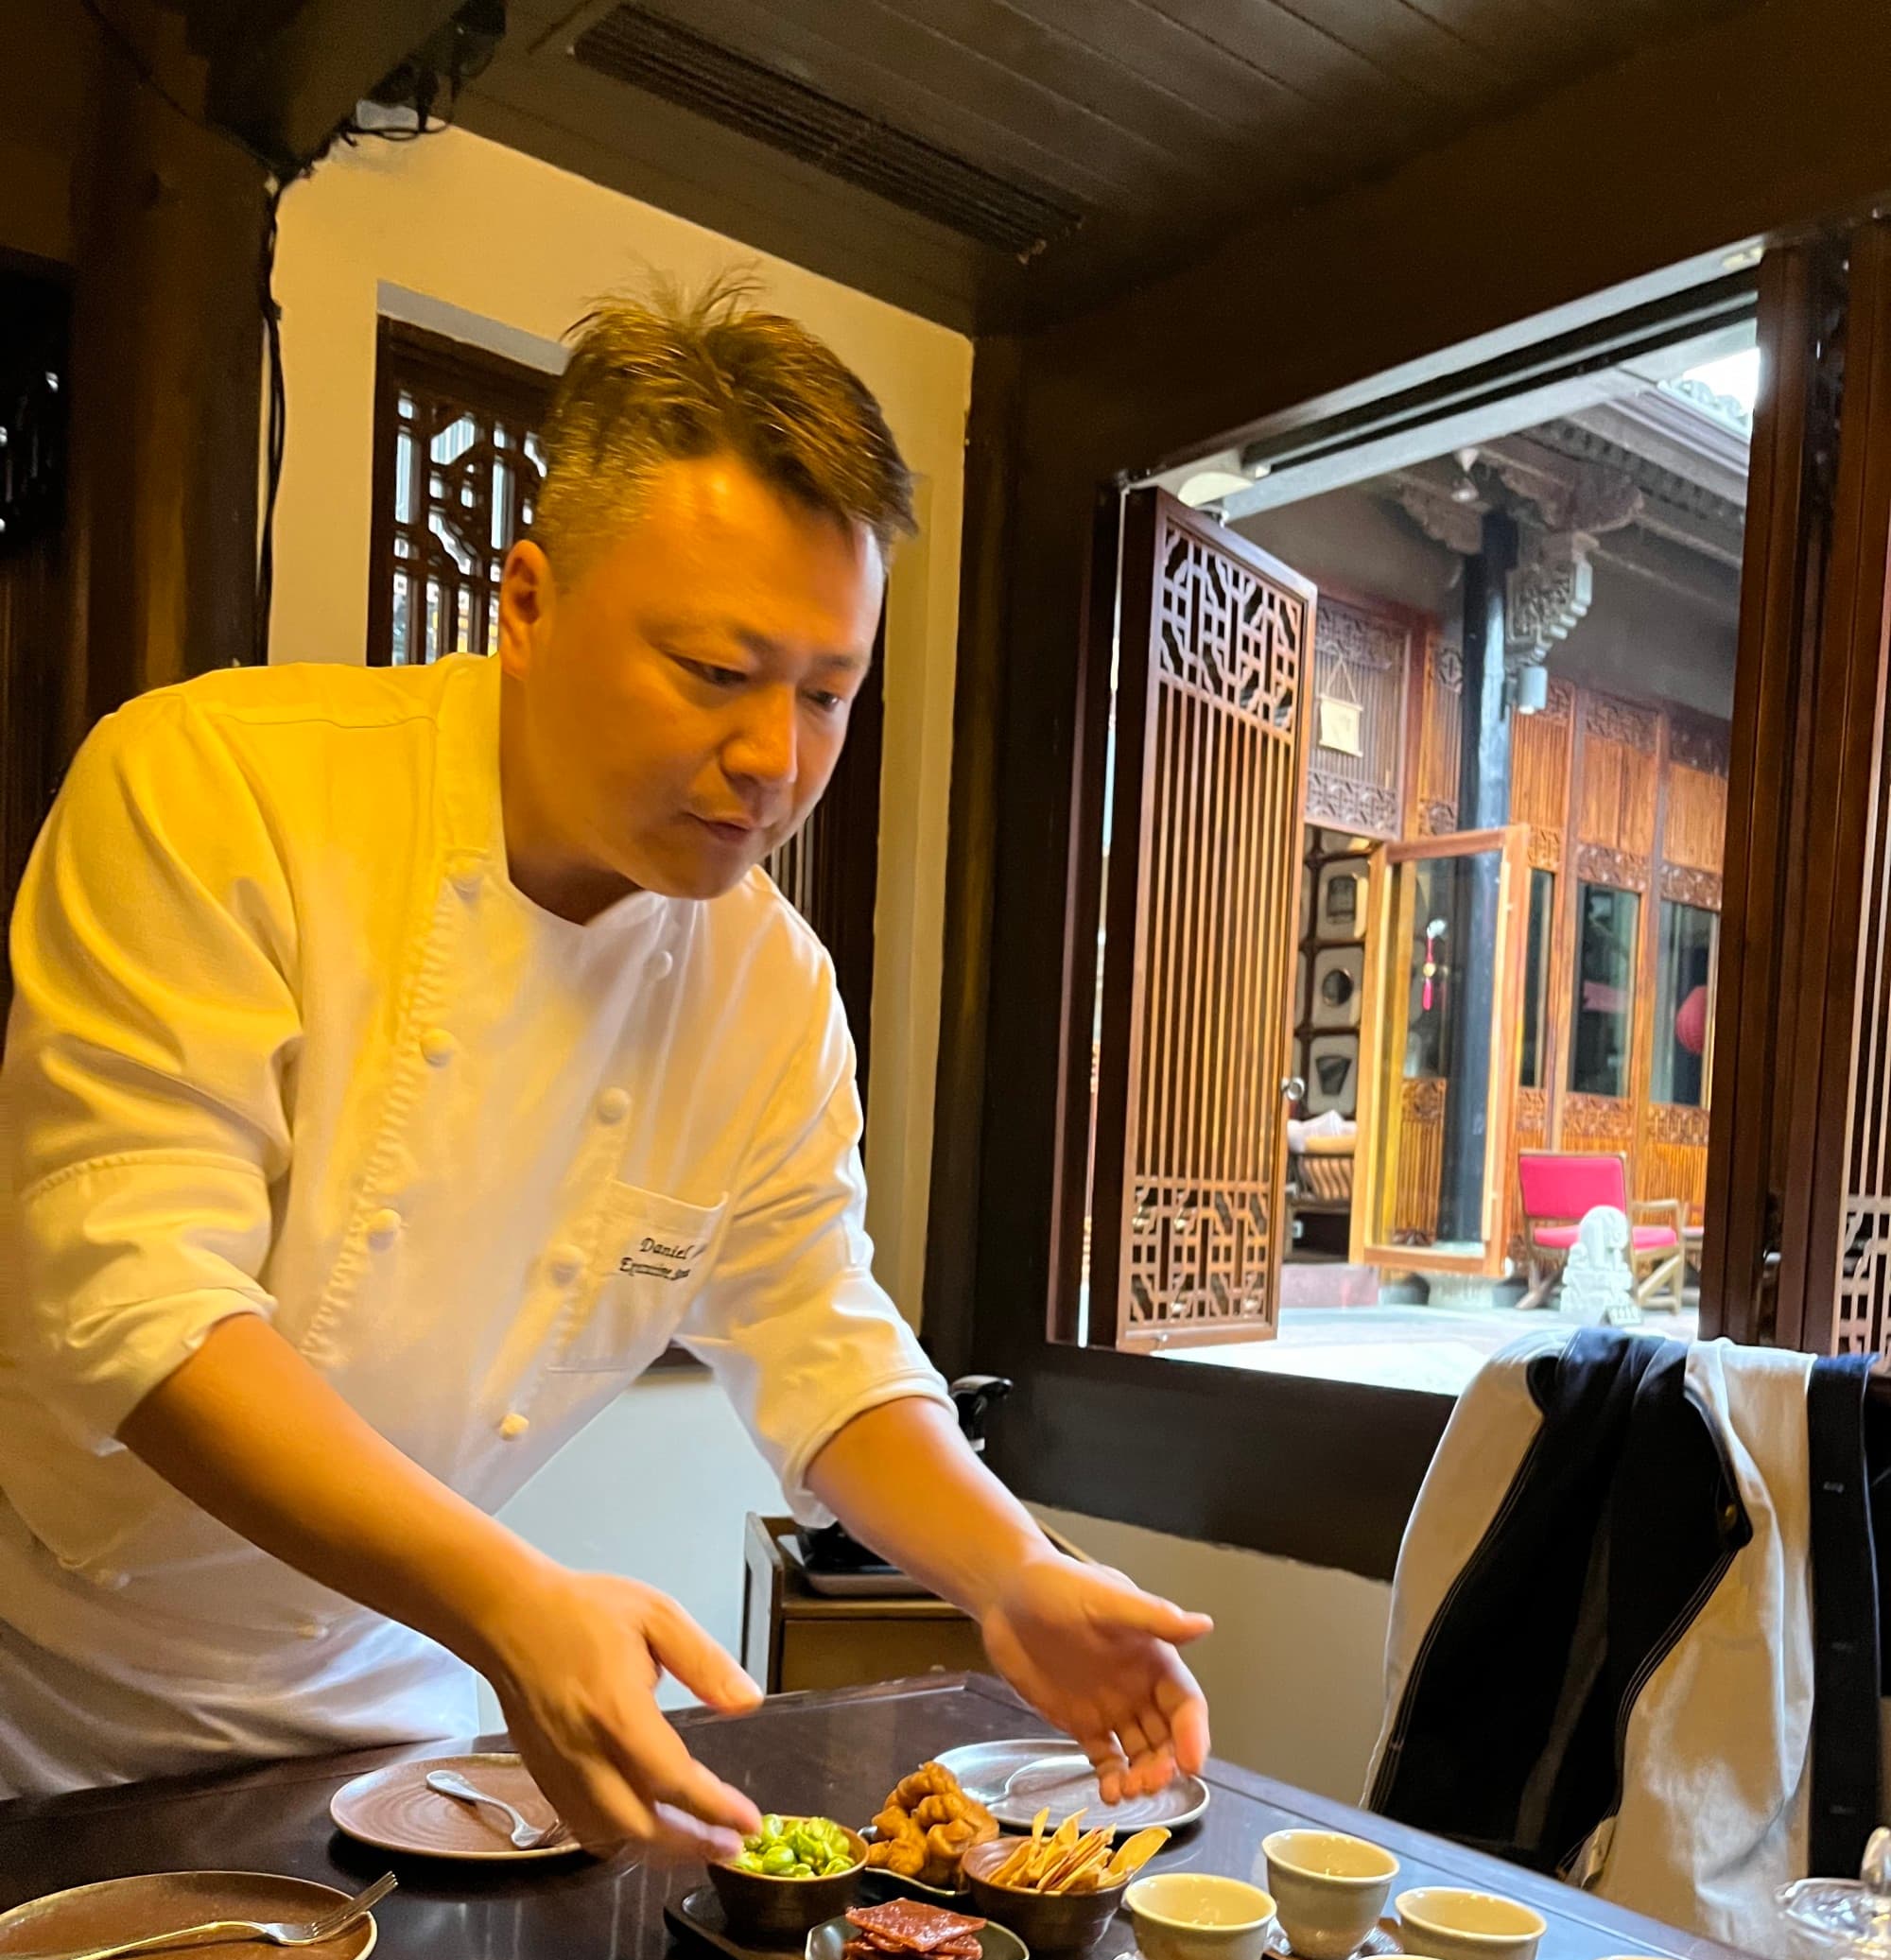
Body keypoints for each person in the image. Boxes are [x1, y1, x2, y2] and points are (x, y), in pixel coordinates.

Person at [0, 277, 1211, 1850]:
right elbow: (136, 1301)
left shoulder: (770, 990)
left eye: (828, 694)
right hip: (47, 1686)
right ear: (527, 601)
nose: (775, 759)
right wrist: (510, 1597)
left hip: (388, 1688)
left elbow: (819, 1330)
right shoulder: (216, 787)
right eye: (714, 671)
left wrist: (1012, 1568)